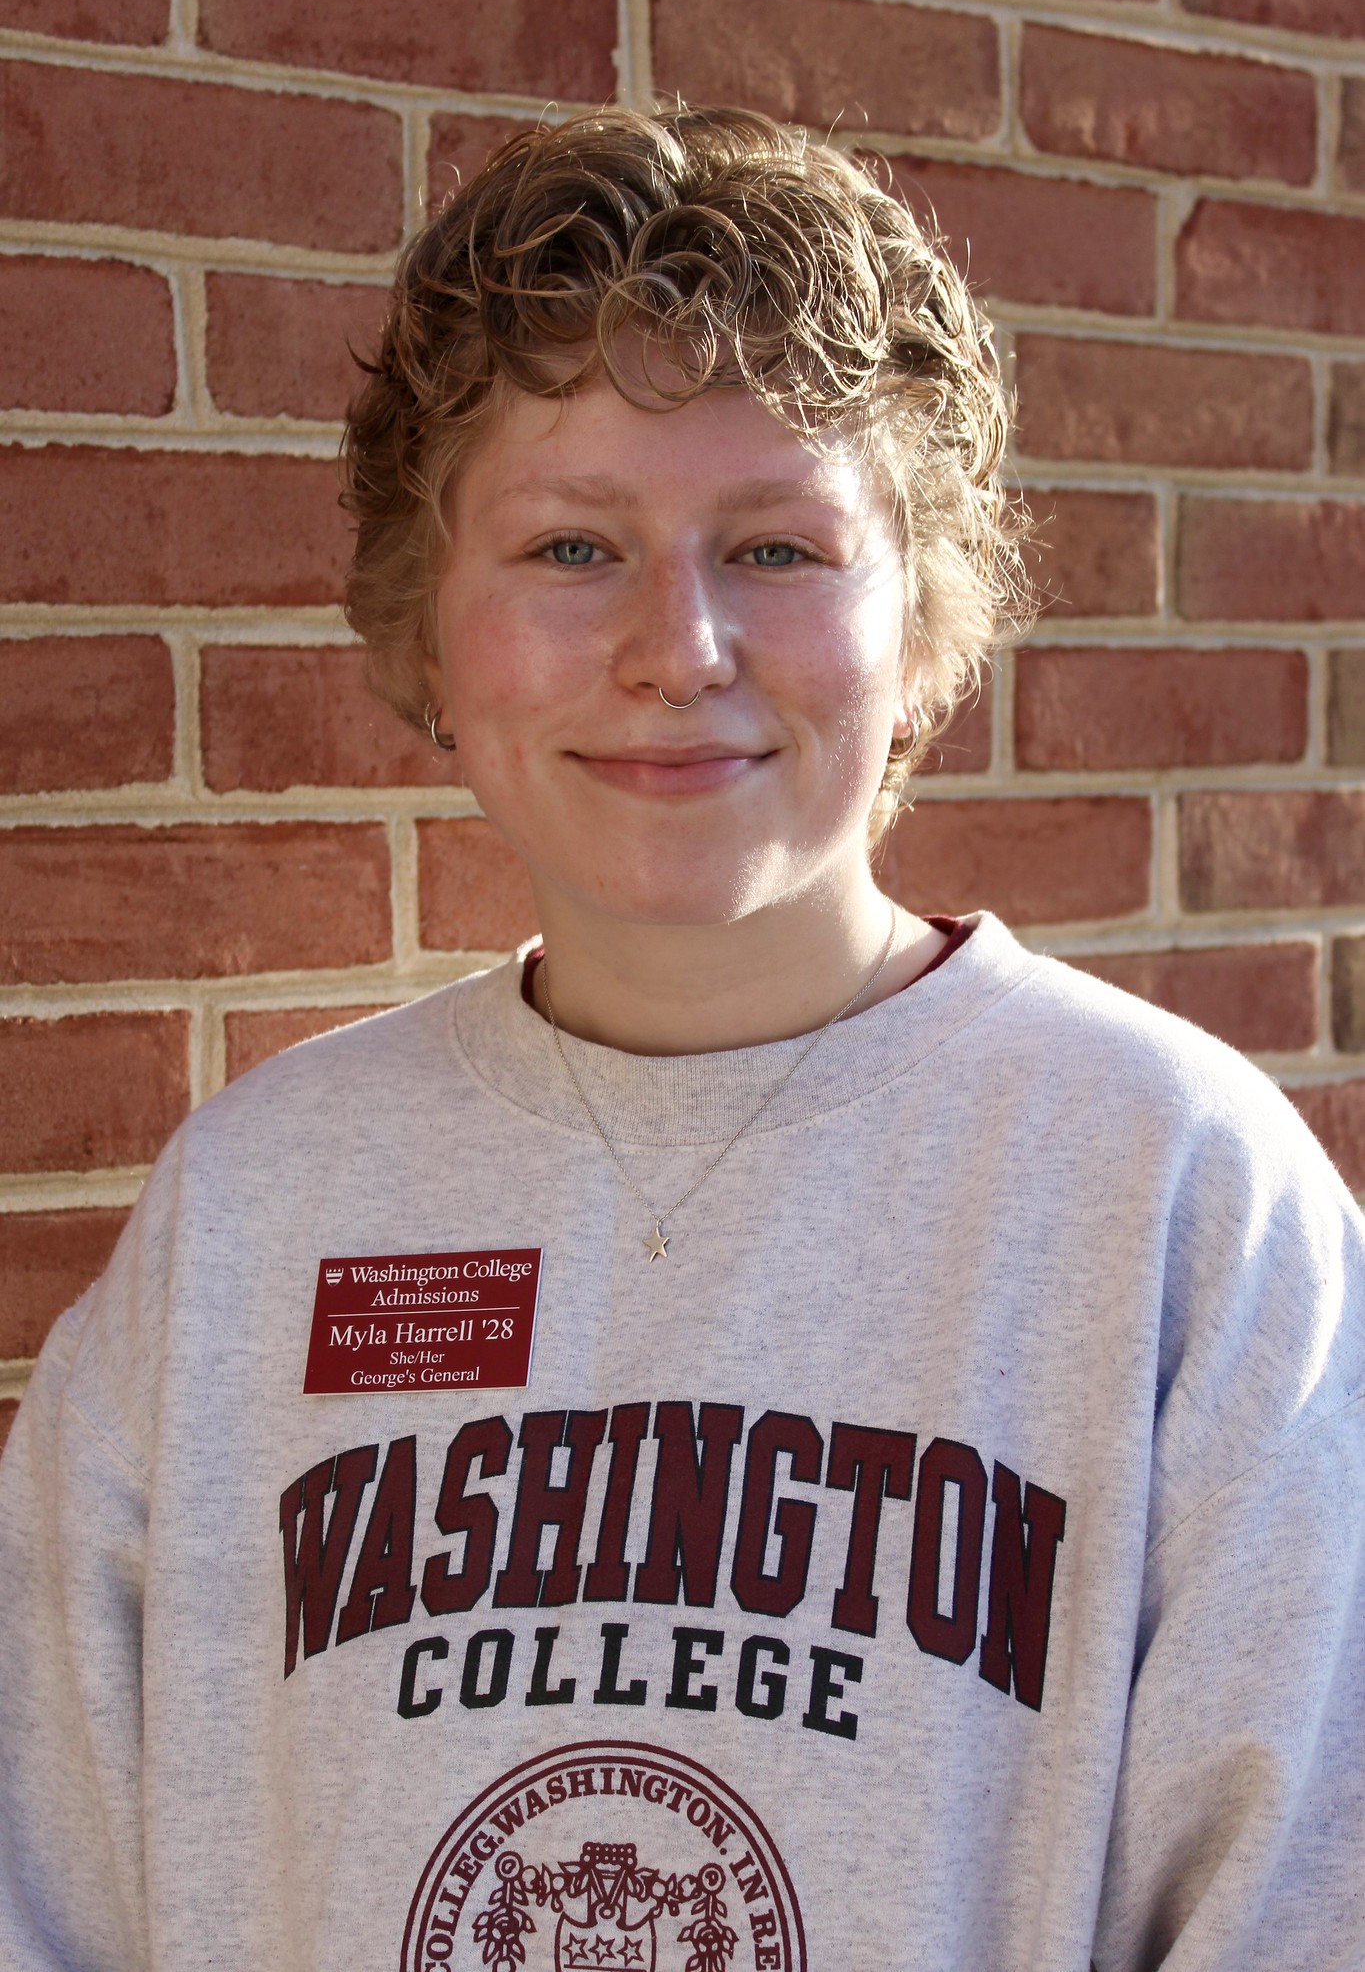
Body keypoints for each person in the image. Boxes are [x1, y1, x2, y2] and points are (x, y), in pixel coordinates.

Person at [0, 104, 1361, 1972]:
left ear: (923, 622)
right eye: (571, 545)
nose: (678, 645)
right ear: (429, 623)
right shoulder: (261, 1207)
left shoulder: (1173, 1199)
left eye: (779, 549)